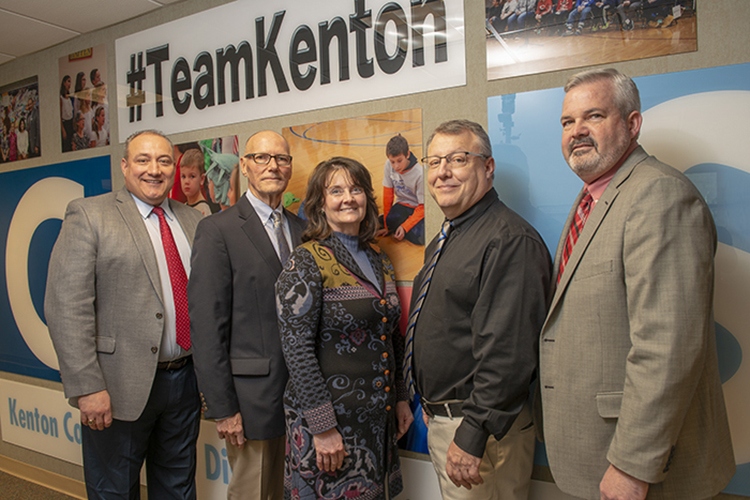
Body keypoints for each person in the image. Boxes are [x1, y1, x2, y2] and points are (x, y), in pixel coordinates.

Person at [537, 68, 735, 500]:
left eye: (593, 116)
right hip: (594, 451)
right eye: (568, 122)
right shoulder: (595, 196)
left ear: (632, 124)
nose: (577, 132)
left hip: (641, 467)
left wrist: (631, 465)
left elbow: (668, 345)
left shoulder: (659, 195)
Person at [45, 130, 204, 499]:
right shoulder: (89, 214)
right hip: (115, 389)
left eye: (164, 161)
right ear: (124, 165)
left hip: (184, 382)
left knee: (178, 489)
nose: (154, 170)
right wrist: (87, 387)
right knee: (113, 491)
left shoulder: (193, 222)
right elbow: (66, 306)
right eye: (143, 160)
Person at [406, 119, 551, 499]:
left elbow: (509, 353)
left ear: (487, 168)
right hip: (450, 420)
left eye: (457, 159)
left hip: (481, 433)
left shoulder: (509, 241)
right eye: (434, 161)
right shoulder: (450, 235)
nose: (443, 172)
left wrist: (472, 431)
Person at [275, 156, 413, 499]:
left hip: (375, 424)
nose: (348, 198)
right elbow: (297, 350)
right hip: (331, 427)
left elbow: (390, 332)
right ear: (321, 204)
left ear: (367, 197)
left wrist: (399, 398)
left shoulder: (379, 257)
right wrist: (323, 429)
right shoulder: (305, 261)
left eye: (355, 189)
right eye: (335, 191)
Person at [189, 130, 306, 500]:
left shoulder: (303, 230)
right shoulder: (217, 230)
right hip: (252, 401)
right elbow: (207, 325)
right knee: (255, 493)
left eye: (282, 158)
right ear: (244, 165)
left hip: (304, 399)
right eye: (261, 157)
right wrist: (223, 408)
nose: (273, 165)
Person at [375, 134, 425, 245]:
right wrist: (387, 225)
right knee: (388, 220)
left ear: (407, 154)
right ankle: (393, 224)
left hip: (417, 208)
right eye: (392, 161)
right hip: (402, 205)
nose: (396, 166)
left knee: (421, 238)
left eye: (399, 160)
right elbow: (388, 195)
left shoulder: (420, 174)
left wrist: (404, 227)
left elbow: (423, 207)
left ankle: (400, 225)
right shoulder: (388, 165)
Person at [180, 148, 212, 216]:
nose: (186, 182)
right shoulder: (183, 207)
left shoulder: (203, 210)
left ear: (202, 179)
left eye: (192, 176)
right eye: (183, 176)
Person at [60, 75, 74, 152]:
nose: (69, 84)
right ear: (64, 83)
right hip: (65, 124)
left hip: (71, 123)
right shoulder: (61, 98)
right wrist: (63, 130)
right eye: (68, 81)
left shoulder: (70, 98)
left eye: (70, 82)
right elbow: (60, 116)